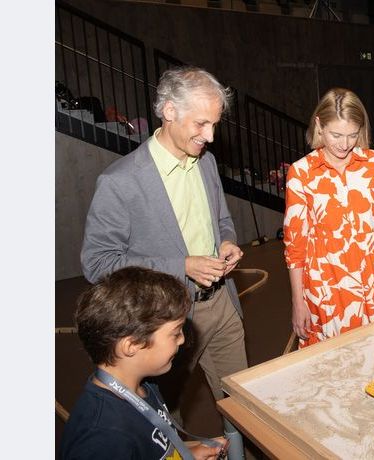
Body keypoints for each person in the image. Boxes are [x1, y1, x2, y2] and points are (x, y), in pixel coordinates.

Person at [80, 66, 247, 457]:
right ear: (169, 111)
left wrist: (227, 241)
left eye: (215, 124)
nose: (210, 136)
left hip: (222, 305)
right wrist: (181, 266)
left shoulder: (204, 161)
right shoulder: (120, 181)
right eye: (202, 123)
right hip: (163, 323)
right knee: (163, 425)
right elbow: (97, 262)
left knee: (241, 408)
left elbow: (222, 220)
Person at [284, 87, 374, 348]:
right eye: (336, 135)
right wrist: (298, 301)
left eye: (353, 135)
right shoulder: (301, 173)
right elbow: (295, 247)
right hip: (328, 286)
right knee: (337, 366)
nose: (344, 144)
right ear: (319, 125)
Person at [60, 267, 227, 460]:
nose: (182, 340)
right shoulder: (103, 436)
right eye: (175, 333)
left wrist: (186, 454)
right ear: (132, 345)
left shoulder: (144, 386)